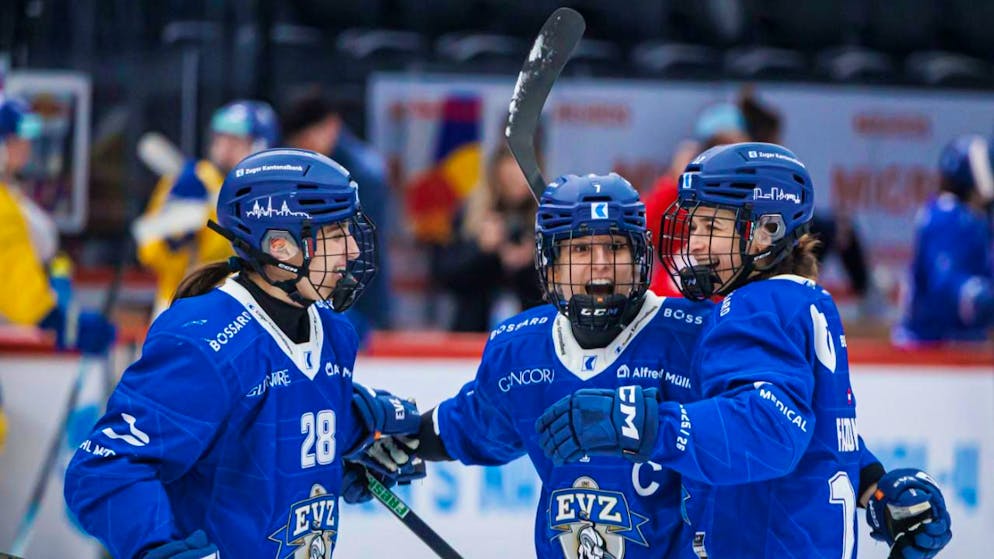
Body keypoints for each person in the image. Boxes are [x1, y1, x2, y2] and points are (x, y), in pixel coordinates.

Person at [536, 143, 952, 558]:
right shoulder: (800, 302)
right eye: (693, 227)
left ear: (765, 231)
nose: (694, 245)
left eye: (711, 229)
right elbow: (808, 426)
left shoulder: (754, 307)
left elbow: (770, 428)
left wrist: (638, 422)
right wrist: (875, 486)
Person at [64, 148, 421, 559]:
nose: (354, 251)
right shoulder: (206, 342)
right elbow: (102, 471)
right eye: (337, 235)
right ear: (282, 246)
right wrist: (159, 549)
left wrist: (344, 456)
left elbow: (273, 429)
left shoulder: (335, 332)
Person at [132, 99, 279, 317]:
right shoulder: (190, 181)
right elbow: (148, 249)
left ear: (260, 145)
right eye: (220, 138)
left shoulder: (273, 193)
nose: (224, 148)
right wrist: (177, 236)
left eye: (236, 141)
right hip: (185, 304)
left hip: (247, 309)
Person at [0, 95, 114, 353]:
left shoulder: (12, 194)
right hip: (15, 338)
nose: (26, 146)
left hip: (26, 330)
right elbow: (11, 278)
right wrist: (58, 324)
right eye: (17, 139)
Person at [282, 88, 393, 330]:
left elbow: (363, 249)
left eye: (306, 138)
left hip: (354, 299)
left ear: (330, 127)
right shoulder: (299, 165)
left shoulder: (364, 175)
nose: (302, 147)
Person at [893, 134, 994, 346]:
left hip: (962, 344)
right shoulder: (947, 215)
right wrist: (980, 297)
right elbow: (945, 285)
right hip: (930, 346)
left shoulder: (977, 220)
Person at [434, 143, 544, 331]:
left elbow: (561, 288)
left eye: (522, 177)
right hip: (474, 330)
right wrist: (481, 249)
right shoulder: (471, 214)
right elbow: (444, 275)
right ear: (496, 176)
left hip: (532, 331)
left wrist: (531, 262)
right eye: (509, 178)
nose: (516, 183)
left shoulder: (547, 219)